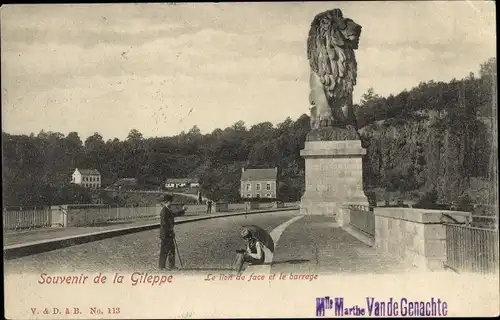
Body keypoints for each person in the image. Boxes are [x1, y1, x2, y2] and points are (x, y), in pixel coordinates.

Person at [158, 194, 185, 270]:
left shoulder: (168, 210)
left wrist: (182, 211)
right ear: (167, 202)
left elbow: (174, 215)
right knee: (164, 251)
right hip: (165, 234)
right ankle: (161, 267)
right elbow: (163, 223)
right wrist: (170, 231)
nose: (171, 203)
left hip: (169, 233)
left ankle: (172, 266)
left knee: (171, 249)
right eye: (170, 202)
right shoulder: (164, 210)